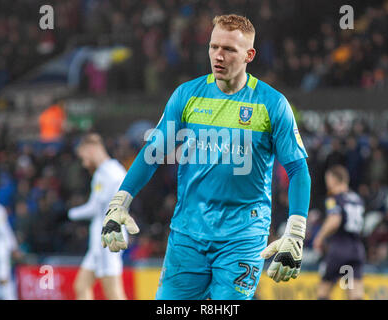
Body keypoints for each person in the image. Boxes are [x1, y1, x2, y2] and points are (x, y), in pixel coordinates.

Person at [101, 14, 311, 300]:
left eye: (229, 49)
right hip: (187, 234)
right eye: (214, 47)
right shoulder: (186, 96)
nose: (218, 56)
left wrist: (296, 232)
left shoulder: (272, 104)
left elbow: (298, 170)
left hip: (243, 236)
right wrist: (120, 201)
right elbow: (153, 154)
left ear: (249, 55)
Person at [68, 133, 128, 300]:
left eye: (83, 157)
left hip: (109, 239)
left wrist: (71, 213)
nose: (84, 163)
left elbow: (94, 208)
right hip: (100, 240)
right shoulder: (113, 170)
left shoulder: (107, 173)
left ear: (91, 150)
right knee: (81, 286)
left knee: (114, 293)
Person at [313, 165, 366, 300]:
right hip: (356, 248)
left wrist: (319, 237)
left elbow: (334, 220)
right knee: (355, 293)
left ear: (333, 179)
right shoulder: (357, 199)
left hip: (339, 248)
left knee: (323, 289)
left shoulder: (333, 198)